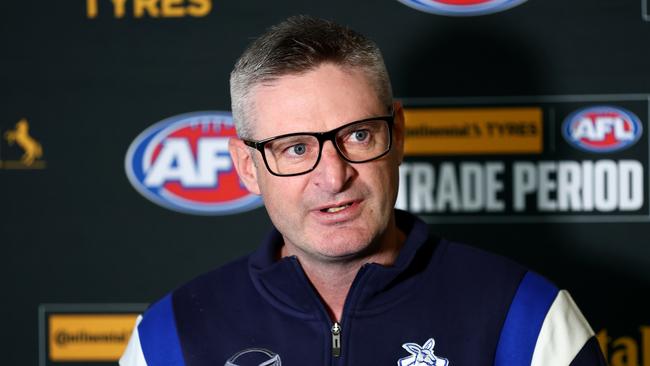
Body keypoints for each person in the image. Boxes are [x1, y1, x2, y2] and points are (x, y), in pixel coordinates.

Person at [120, 15, 606, 366]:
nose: (333, 177)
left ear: (397, 134)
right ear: (248, 166)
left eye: (358, 136)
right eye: (294, 149)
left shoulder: (526, 319)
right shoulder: (172, 338)